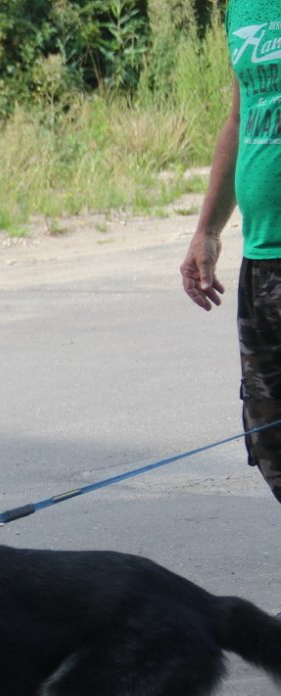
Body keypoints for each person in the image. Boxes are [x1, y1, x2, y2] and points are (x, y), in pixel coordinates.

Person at [180, 1, 281, 503]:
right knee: (272, 444)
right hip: (262, 259)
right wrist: (208, 231)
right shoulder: (242, 8)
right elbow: (242, 118)